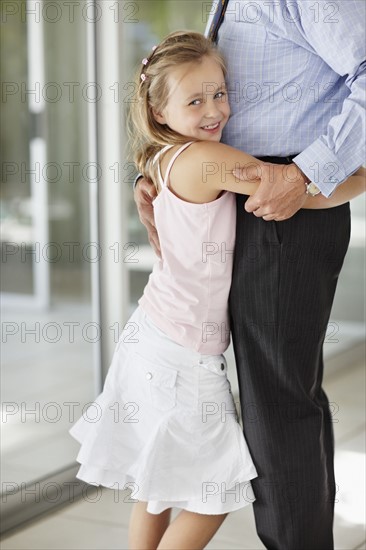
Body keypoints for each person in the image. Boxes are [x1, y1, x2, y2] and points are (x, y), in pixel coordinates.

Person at [70, 32, 365, 550]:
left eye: (220, 93)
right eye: (195, 100)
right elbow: (297, 192)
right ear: (159, 111)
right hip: (184, 356)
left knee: (155, 482)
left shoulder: (162, 159)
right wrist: (360, 177)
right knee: (219, 492)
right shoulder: (208, 160)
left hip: (152, 336)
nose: (215, 110)